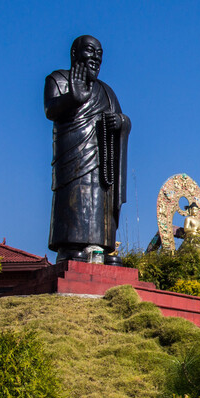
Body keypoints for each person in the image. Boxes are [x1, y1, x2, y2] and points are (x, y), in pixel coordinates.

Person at [44, 35, 131, 265]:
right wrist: (72, 98)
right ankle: (69, 248)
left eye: (99, 56)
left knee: (99, 199)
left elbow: (123, 119)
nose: (95, 59)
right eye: (90, 52)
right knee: (73, 196)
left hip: (102, 160)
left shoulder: (107, 92)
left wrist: (120, 123)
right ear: (75, 54)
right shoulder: (59, 79)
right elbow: (50, 110)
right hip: (73, 156)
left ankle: (99, 248)